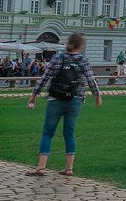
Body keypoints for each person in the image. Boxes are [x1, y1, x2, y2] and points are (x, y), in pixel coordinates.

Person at [26, 32, 102, 176]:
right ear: (81, 45)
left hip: (56, 99)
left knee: (48, 133)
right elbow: (91, 79)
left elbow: (45, 77)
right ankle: (69, 168)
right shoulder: (83, 60)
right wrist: (97, 95)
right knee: (69, 133)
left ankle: (41, 167)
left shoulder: (58, 57)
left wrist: (34, 96)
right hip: (75, 99)